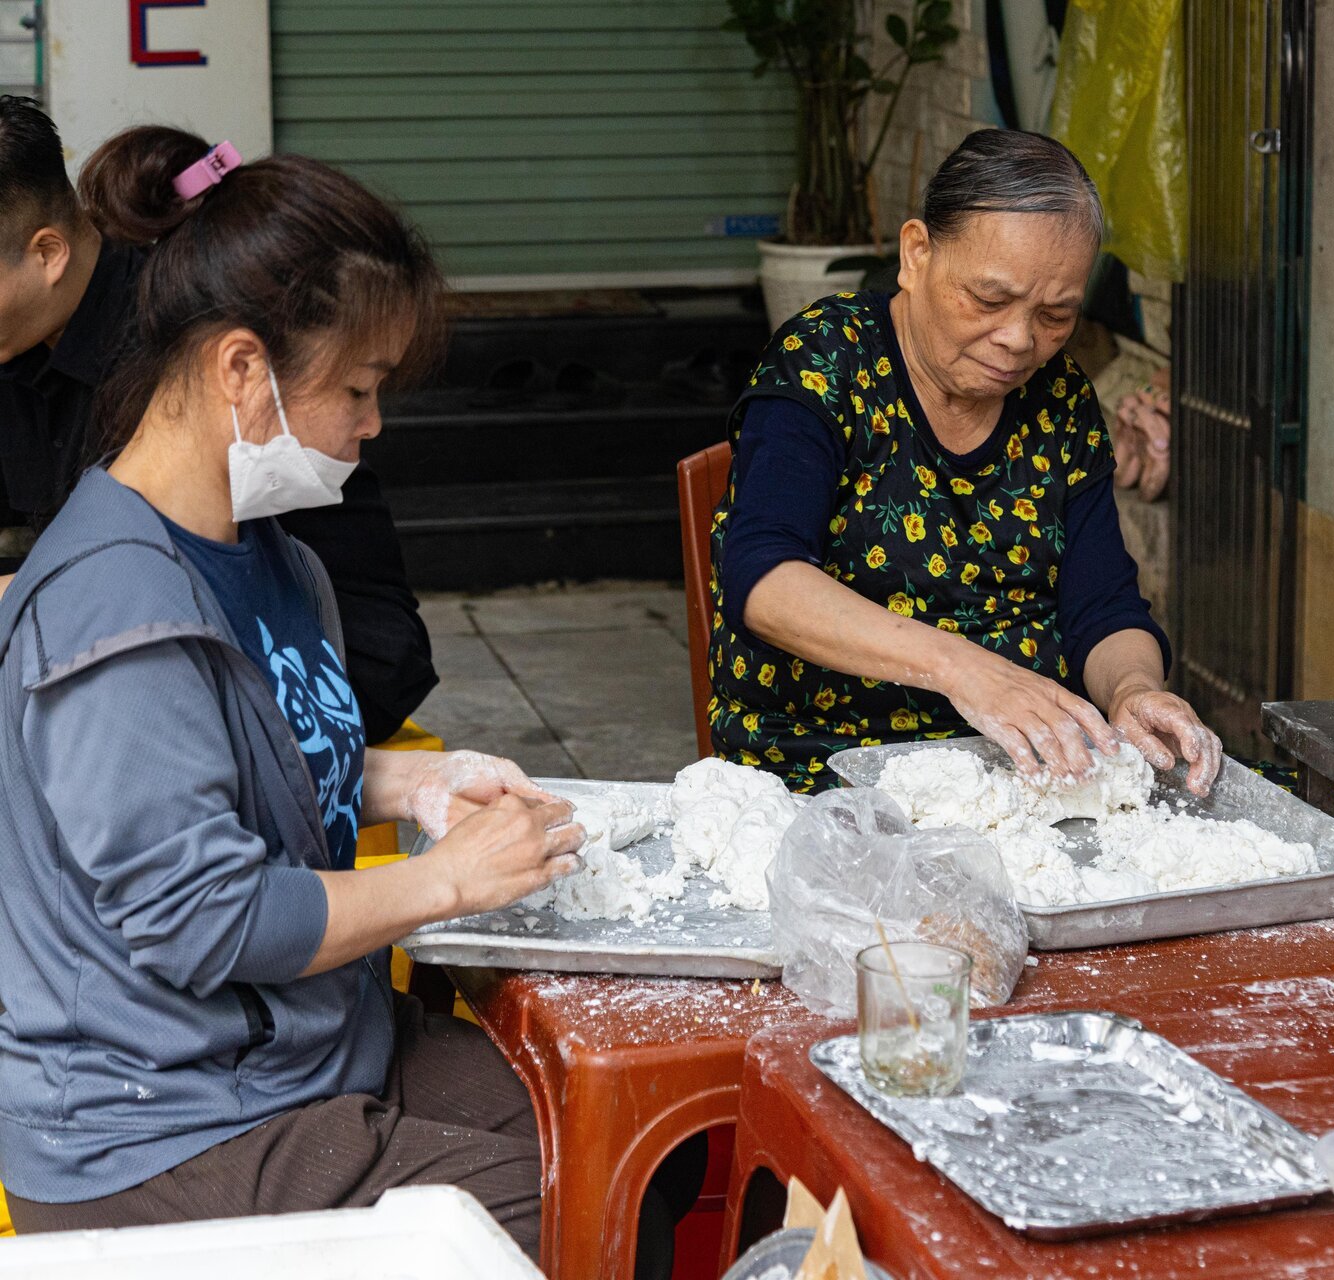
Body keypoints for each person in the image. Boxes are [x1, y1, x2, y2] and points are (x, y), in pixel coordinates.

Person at [0, 127, 584, 1258]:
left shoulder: (274, 557)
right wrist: (444, 883)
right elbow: (203, 915)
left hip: (294, 1048)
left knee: (590, 1121)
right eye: (358, 388)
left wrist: (404, 777)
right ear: (238, 369)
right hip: (159, 1124)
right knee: (554, 1191)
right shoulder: (117, 610)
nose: (372, 425)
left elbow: (239, 753)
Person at [708, 129, 1222, 792]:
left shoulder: (1058, 397)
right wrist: (964, 670)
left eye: (1056, 314)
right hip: (825, 770)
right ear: (917, 253)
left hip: (1021, 773)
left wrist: (1131, 689)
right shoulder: (827, 359)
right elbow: (765, 580)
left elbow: (1102, 603)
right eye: (988, 300)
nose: (1018, 340)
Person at [0, 96, 436, 742]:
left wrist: (50, 599)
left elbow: (380, 657)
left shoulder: (170, 355)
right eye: (359, 390)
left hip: (296, 688)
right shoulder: (23, 350)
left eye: (365, 387)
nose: (370, 424)